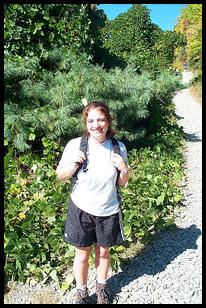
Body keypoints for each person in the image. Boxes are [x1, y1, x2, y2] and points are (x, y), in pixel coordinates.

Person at [56, 101, 129, 304]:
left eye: (101, 120)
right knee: (81, 254)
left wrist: (124, 168)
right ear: (86, 123)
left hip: (108, 210)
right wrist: (73, 164)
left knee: (104, 252)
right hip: (81, 209)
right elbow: (61, 175)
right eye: (91, 121)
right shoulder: (75, 145)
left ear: (108, 121)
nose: (96, 125)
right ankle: (81, 293)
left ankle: (102, 289)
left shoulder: (118, 147)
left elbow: (122, 183)